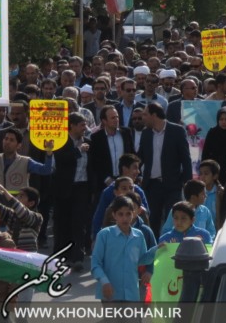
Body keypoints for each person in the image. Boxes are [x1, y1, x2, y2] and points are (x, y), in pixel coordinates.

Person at [138, 102, 193, 236]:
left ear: (154, 115)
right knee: (152, 220)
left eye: (145, 114)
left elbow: (186, 159)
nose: (142, 117)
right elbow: (140, 158)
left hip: (172, 185)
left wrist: (187, 183)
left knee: (172, 220)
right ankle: (153, 250)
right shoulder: (146, 133)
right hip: (151, 186)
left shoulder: (177, 131)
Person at [91, 195, 158, 302]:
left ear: (134, 214)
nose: (125, 218)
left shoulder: (138, 235)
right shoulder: (104, 235)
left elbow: (141, 260)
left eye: (128, 214)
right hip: (110, 293)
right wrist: (104, 281)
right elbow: (95, 264)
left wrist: (157, 249)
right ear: (114, 215)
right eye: (120, 214)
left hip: (131, 293)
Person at [52, 112, 91, 269]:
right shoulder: (61, 141)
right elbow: (61, 159)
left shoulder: (88, 142)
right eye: (82, 125)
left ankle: (77, 257)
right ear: (72, 126)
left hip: (81, 187)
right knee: (62, 222)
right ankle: (61, 256)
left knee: (78, 223)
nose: (85, 128)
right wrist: (78, 151)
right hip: (64, 188)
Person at [198, 159, 223, 229]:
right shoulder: (197, 192)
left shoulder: (220, 192)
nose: (202, 177)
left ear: (215, 176)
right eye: (200, 174)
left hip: (214, 231)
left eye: (206, 174)